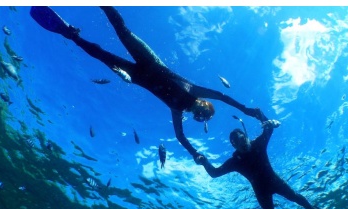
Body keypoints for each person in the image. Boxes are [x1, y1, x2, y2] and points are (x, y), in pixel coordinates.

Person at [30, 6, 267, 160]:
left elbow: (181, 137)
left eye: (201, 117)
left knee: (99, 53)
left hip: (137, 76)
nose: (201, 113)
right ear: (204, 103)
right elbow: (223, 96)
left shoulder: (177, 110)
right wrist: (246, 109)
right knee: (122, 31)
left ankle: (70, 34)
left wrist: (194, 153)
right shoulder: (195, 90)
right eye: (205, 110)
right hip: (150, 60)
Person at [195, 121, 346, 209]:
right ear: (234, 147)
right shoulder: (235, 161)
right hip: (261, 192)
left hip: (275, 182)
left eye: (242, 139)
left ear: (245, 136)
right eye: (237, 144)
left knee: (300, 201)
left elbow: (269, 128)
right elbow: (214, 173)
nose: (242, 144)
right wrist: (204, 162)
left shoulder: (258, 144)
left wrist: (271, 123)